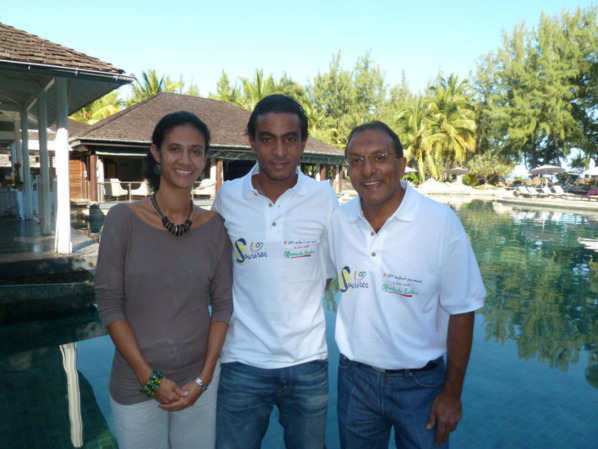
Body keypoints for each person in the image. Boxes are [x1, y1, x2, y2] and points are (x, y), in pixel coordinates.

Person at [330, 121, 486, 448]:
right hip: (354, 380)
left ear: (402, 165)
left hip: (421, 385)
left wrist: (452, 394)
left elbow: (463, 310)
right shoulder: (339, 221)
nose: (367, 169)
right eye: (355, 160)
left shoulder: (440, 222)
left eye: (380, 157)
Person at [95, 111, 233, 449]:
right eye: (175, 149)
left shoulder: (214, 226)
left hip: (197, 381)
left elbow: (223, 306)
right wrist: (149, 378)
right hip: (136, 380)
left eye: (196, 151)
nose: (185, 160)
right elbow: (110, 306)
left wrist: (205, 377)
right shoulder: (122, 220)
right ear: (156, 153)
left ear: (204, 160)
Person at [212, 94, 338, 449]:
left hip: (308, 361)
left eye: (290, 139)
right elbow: (219, 273)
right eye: (267, 139)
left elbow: (324, 273)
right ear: (252, 142)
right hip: (241, 361)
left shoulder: (323, 197)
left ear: (303, 144)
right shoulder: (228, 197)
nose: (279, 151)